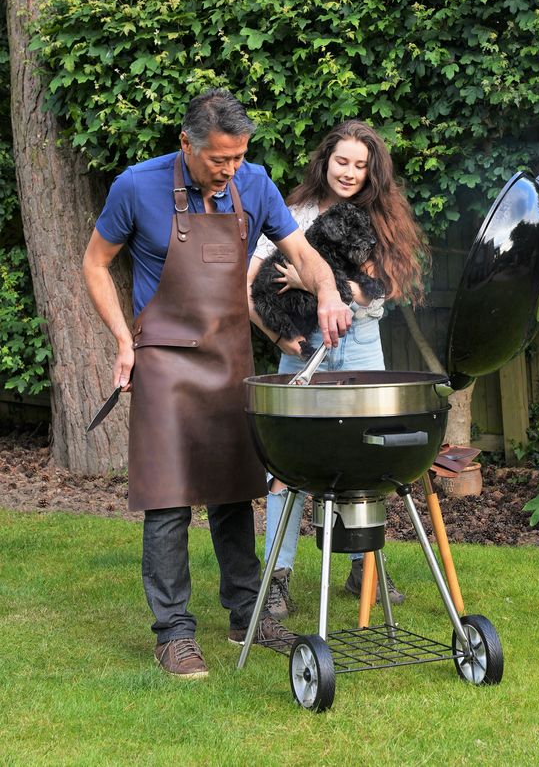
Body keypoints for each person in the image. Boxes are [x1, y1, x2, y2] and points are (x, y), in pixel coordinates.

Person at [82, 89, 352, 679]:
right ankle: (174, 634)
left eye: (237, 157)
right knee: (169, 499)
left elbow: (301, 253)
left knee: (234, 492)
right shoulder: (136, 186)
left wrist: (327, 290)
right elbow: (95, 263)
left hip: (229, 357)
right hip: (164, 361)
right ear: (187, 144)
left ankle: (245, 613)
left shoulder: (255, 184)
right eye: (218, 160)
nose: (229, 170)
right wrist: (124, 342)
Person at [247, 120, 428, 619]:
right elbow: (248, 287)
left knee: (362, 458)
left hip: (362, 348)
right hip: (302, 352)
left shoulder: (380, 219)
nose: (349, 172)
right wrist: (281, 338)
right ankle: (277, 576)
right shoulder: (293, 213)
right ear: (325, 161)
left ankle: (361, 565)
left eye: (360, 164)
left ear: (373, 172)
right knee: (287, 466)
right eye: (341, 161)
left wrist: (310, 282)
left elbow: (376, 290)